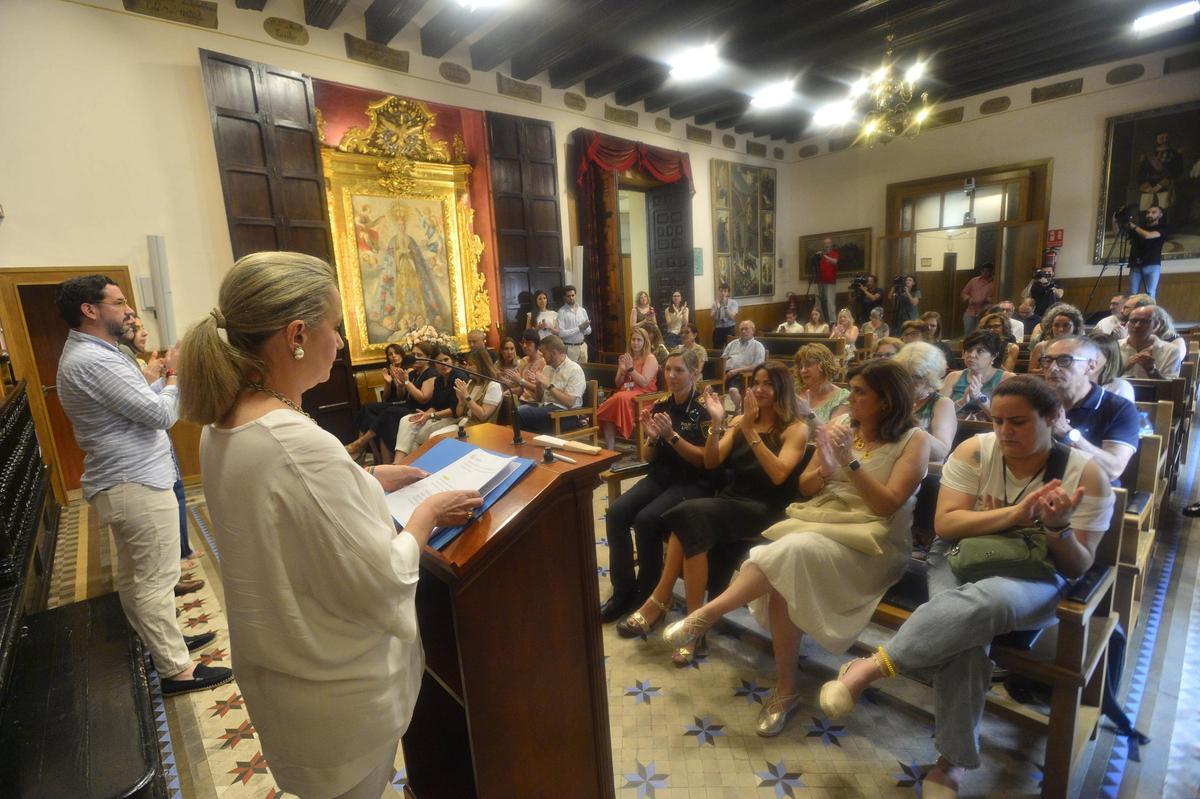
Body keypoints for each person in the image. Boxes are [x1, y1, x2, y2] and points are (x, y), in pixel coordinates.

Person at [178, 251, 481, 799]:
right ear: (296, 334)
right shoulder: (294, 442)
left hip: (283, 678)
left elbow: (292, 512)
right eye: (335, 328)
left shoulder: (223, 421)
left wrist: (366, 477)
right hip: (333, 696)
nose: (340, 343)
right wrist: (425, 517)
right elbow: (381, 578)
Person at [819, 376, 1113, 797]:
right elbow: (947, 525)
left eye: (1018, 422)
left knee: (987, 602)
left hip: (1034, 576)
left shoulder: (1085, 475)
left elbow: (1078, 564)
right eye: (997, 421)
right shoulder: (976, 451)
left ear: (1051, 418)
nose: (1005, 432)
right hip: (958, 556)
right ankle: (952, 764)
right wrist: (1015, 515)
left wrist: (1057, 528)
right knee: (967, 641)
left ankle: (871, 667)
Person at [661, 360, 930, 734]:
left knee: (788, 552)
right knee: (784, 565)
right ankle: (785, 689)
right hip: (822, 520)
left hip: (874, 539)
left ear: (886, 400)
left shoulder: (914, 440)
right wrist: (825, 466)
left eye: (858, 391)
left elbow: (886, 506)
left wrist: (849, 461)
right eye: (850, 389)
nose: (848, 398)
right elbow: (804, 486)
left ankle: (707, 614)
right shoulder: (840, 428)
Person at [55, 275, 228, 697]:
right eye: (118, 303)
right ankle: (177, 670)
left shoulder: (99, 353)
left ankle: (166, 646)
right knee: (155, 579)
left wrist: (161, 378)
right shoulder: (92, 360)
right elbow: (157, 415)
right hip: (134, 481)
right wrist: (173, 375)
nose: (127, 309)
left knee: (139, 579)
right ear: (90, 310)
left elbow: (134, 405)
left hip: (129, 478)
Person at [617, 363, 810, 666]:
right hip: (732, 500)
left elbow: (778, 475)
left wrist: (750, 432)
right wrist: (719, 423)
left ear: (782, 390)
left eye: (767, 384)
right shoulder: (742, 421)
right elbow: (711, 461)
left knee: (689, 516)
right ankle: (694, 624)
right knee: (686, 516)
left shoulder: (795, 428)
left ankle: (663, 601)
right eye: (756, 382)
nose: (759, 389)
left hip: (764, 508)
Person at [600, 348, 711, 623]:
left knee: (646, 520)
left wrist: (671, 436)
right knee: (616, 512)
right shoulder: (662, 404)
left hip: (693, 482)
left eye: (679, 370)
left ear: (695, 372)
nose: (671, 375)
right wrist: (650, 438)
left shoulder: (705, 408)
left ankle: (649, 599)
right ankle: (623, 591)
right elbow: (649, 457)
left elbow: (705, 462)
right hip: (662, 476)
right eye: (668, 369)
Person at [1040, 335, 1139, 484]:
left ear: (1091, 366)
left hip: (1090, 491)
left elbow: (1113, 469)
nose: (1053, 368)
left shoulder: (1119, 408)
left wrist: (1067, 433)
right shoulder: (1036, 400)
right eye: (1047, 361)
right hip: (1036, 486)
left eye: (1065, 360)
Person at [596, 327, 660, 451]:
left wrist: (630, 369)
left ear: (645, 342)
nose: (635, 343)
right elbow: (617, 383)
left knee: (618, 398)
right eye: (633, 340)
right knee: (609, 409)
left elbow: (644, 382)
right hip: (626, 393)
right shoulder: (627, 357)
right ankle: (610, 449)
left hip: (644, 397)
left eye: (639, 340)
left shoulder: (650, 358)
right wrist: (622, 370)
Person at [374, 340, 437, 463]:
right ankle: (385, 463)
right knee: (384, 421)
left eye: (419, 355)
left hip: (420, 409)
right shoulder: (413, 372)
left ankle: (362, 444)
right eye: (413, 355)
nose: (415, 358)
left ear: (428, 357)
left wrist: (406, 382)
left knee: (388, 413)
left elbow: (423, 398)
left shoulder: (431, 373)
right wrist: (400, 385)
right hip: (408, 405)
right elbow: (402, 396)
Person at [346, 343, 410, 460]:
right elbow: (385, 398)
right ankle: (365, 448)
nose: (394, 356)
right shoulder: (390, 370)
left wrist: (399, 383)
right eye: (390, 354)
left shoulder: (408, 370)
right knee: (366, 409)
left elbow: (402, 397)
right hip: (390, 403)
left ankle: (361, 446)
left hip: (403, 403)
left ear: (402, 354)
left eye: (396, 353)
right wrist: (388, 383)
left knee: (374, 416)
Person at [393, 346, 460, 457]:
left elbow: (455, 410)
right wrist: (425, 414)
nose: (444, 364)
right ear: (434, 364)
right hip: (438, 415)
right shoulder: (439, 379)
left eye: (446, 360)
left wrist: (430, 415)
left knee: (417, 434)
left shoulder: (458, 376)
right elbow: (435, 404)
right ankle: (401, 463)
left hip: (453, 417)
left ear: (451, 360)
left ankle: (405, 465)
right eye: (439, 362)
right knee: (406, 420)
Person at [895, 341, 956, 462]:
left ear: (930, 378)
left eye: (917, 376)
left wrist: (912, 425)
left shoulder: (942, 403)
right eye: (905, 376)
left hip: (925, 470)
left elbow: (941, 452)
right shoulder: (895, 399)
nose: (909, 382)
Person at [516, 334, 587, 433]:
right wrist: (538, 385)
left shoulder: (574, 370)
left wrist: (549, 386)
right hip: (546, 409)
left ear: (553, 353)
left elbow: (570, 402)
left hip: (565, 415)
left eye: (544, 353)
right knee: (518, 413)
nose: (542, 356)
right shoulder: (547, 368)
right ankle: (527, 445)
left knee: (520, 413)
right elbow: (539, 399)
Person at [942, 330, 1013, 421]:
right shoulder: (953, 377)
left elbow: (1006, 421)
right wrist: (962, 402)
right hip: (953, 430)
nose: (971, 355)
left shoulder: (1007, 379)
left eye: (980, 351)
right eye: (969, 350)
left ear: (994, 356)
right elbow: (937, 413)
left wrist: (980, 399)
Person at [1120, 304, 1182, 379]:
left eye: (1144, 321)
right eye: (1133, 321)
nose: (1137, 325)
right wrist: (1123, 368)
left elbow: (1170, 388)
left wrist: (1151, 370)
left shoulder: (1171, 351)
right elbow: (1102, 381)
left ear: (1156, 325)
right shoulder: (1114, 347)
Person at [793, 343, 849, 422]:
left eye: (808, 365)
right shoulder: (796, 392)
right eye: (801, 367)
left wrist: (809, 414)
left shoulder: (842, 397)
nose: (803, 371)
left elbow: (833, 432)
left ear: (824, 365)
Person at [721, 320, 766, 410]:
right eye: (741, 329)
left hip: (744, 375)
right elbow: (722, 359)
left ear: (753, 330)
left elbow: (758, 365)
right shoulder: (732, 344)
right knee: (709, 388)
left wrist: (737, 370)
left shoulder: (757, 346)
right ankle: (719, 415)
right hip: (726, 373)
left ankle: (738, 410)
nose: (743, 331)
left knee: (733, 390)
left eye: (746, 329)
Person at [1029, 302, 1085, 373]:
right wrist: (1050, 370)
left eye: (1066, 325)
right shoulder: (1041, 346)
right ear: (1051, 326)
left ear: (1075, 327)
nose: (1060, 329)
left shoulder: (1081, 347)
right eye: (1056, 325)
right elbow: (1031, 371)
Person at [454, 348, 504, 427]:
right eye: (466, 364)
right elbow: (459, 414)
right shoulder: (471, 383)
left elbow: (483, 416)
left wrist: (466, 396)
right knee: (435, 435)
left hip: (480, 430)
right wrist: (461, 401)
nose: (467, 368)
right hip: (463, 424)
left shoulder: (494, 386)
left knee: (438, 436)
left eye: (470, 365)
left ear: (482, 366)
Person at [1125, 205, 1167, 299]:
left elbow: (1148, 236)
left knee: (1150, 293)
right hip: (1136, 264)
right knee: (1132, 294)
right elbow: (1117, 234)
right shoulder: (1139, 228)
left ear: (1160, 215)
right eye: (1148, 212)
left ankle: (1151, 313)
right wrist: (1115, 221)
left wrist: (1134, 227)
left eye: (1153, 212)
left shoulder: (1163, 227)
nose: (1149, 214)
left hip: (1152, 264)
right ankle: (1132, 313)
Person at [1087, 332, 1136, 402]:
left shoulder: (1120, 387)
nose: (1085, 359)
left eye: (1093, 355)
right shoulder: (1073, 383)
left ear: (1108, 360)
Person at [505, 330, 545, 404]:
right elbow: (522, 388)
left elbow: (542, 391)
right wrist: (510, 390)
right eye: (523, 343)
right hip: (522, 399)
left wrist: (521, 381)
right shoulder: (524, 360)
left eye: (528, 343)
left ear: (536, 344)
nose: (524, 346)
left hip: (536, 402)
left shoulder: (544, 362)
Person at [557, 285, 592, 362]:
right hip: (570, 348)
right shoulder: (561, 312)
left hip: (583, 346)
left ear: (575, 295)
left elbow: (589, 331)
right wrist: (579, 328)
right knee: (571, 372)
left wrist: (584, 329)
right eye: (568, 296)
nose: (571, 298)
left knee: (585, 371)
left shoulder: (582, 310)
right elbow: (561, 333)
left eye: (573, 295)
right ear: (564, 297)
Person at [960, 263, 995, 336]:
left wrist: (988, 299)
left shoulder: (995, 282)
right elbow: (964, 292)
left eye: (988, 271)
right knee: (968, 333)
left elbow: (998, 297)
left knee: (982, 333)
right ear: (981, 271)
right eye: (984, 271)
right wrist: (969, 299)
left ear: (992, 272)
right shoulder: (973, 281)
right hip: (971, 311)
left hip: (986, 312)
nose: (986, 273)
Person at [813, 238, 840, 323]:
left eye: (828, 243)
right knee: (818, 302)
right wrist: (816, 256)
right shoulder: (820, 255)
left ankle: (832, 321)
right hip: (819, 281)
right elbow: (814, 265)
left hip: (830, 282)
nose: (826, 245)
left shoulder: (834, 254)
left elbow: (834, 262)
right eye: (825, 244)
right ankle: (818, 320)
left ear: (831, 244)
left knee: (830, 302)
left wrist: (824, 255)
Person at [711, 283, 739, 349]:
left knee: (731, 349)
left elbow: (733, 317)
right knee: (717, 349)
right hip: (718, 329)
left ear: (728, 293)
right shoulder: (715, 303)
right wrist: (717, 308)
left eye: (725, 291)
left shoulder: (733, 303)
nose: (723, 293)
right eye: (721, 291)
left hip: (730, 328)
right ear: (718, 292)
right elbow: (711, 317)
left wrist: (725, 307)